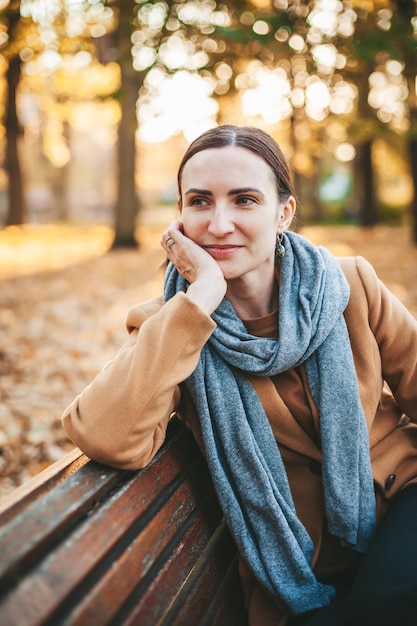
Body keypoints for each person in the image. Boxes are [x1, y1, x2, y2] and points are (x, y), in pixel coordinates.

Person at [62, 125, 417, 626]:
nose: (220, 223)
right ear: (180, 217)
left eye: (245, 200)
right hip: (297, 567)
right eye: (200, 201)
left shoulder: (351, 284)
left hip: (402, 506)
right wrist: (200, 296)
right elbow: (104, 435)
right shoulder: (173, 324)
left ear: (284, 213)